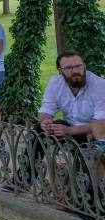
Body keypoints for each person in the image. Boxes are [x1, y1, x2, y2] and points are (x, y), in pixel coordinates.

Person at [12, 51, 105, 197]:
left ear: (84, 66)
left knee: (88, 157)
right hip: (70, 128)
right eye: (68, 68)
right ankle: (23, 180)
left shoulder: (99, 85)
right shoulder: (56, 83)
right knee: (38, 131)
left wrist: (69, 131)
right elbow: (45, 111)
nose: (75, 71)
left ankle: (92, 204)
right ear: (60, 71)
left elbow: (100, 123)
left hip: (95, 133)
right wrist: (46, 122)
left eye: (78, 66)